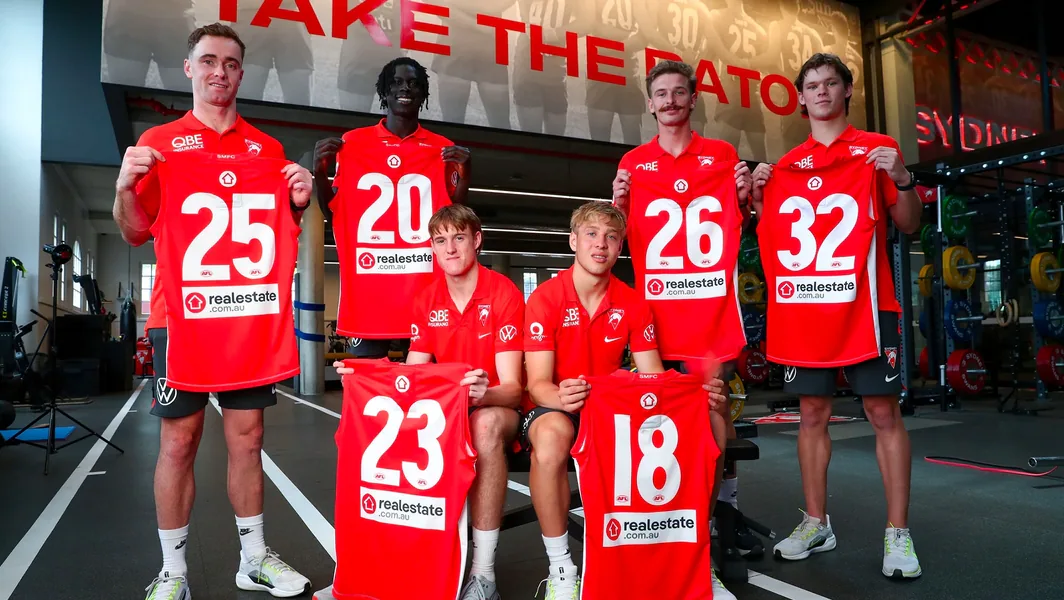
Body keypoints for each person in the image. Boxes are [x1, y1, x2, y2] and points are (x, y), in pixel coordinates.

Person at [112, 23, 314, 600]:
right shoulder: (160, 143)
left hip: (246, 317)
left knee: (248, 439)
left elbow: (278, 239)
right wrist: (125, 188)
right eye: (208, 60)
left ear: (240, 73)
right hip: (181, 319)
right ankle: (173, 571)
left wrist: (298, 202)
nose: (218, 71)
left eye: (229, 62)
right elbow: (132, 232)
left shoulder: (266, 151)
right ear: (189, 69)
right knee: (179, 442)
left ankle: (253, 558)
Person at [750, 52, 923, 579]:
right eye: (812, 85)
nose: (821, 91)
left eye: (831, 83)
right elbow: (767, 234)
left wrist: (905, 178)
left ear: (847, 91)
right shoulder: (783, 168)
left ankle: (898, 533)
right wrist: (758, 194)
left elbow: (909, 224)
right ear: (800, 99)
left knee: (882, 413)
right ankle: (817, 521)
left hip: (870, 308)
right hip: (808, 307)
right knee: (811, 415)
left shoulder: (879, 150)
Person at [521, 201, 728, 599]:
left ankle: (698, 557)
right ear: (573, 241)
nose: (601, 244)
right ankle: (562, 567)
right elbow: (538, 385)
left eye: (611, 237)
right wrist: (562, 396)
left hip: (613, 409)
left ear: (620, 249)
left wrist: (694, 393)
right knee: (551, 436)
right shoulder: (546, 298)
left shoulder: (632, 301)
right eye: (592, 235)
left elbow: (651, 377)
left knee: (710, 421)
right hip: (559, 405)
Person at [610, 58, 753, 600]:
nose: (670, 101)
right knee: (655, 431)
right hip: (653, 322)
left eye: (678, 93)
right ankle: (665, 533)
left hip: (710, 318)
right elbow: (616, 239)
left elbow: (742, 219)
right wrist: (618, 205)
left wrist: (745, 193)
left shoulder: (720, 156)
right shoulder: (633, 162)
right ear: (650, 104)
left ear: (693, 100)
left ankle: (711, 534)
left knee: (711, 426)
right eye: (660, 94)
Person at [334, 204, 523, 600]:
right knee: (387, 428)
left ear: (476, 241)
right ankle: (395, 560)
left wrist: (482, 392)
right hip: (448, 413)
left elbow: (513, 388)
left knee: (484, 424)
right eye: (441, 241)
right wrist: (365, 378)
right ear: (433, 249)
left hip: (496, 407)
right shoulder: (426, 299)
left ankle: (482, 573)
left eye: (458, 238)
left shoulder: (502, 292)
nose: (450, 249)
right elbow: (412, 380)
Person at [312, 57, 471, 360]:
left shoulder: (442, 149)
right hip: (369, 299)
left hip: (427, 294)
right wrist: (319, 172)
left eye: (413, 83)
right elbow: (334, 210)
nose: (405, 89)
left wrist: (466, 175)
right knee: (369, 394)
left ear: (424, 93)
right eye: (396, 83)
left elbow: (454, 216)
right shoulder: (354, 143)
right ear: (383, 91)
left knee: (432, 392)